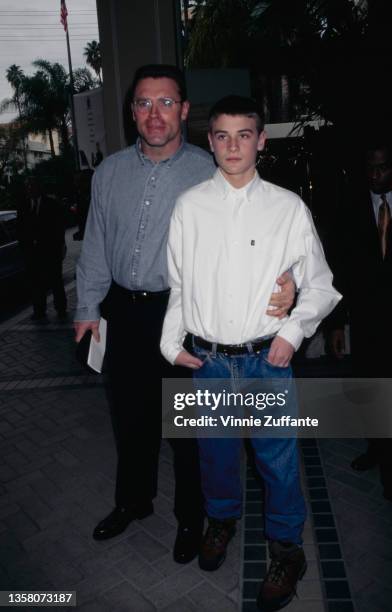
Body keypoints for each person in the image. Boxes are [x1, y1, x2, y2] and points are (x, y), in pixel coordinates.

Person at [74, 65, 294, 564]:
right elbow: (95, 251)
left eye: (167, 103)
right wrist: (87, 308)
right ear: (132, 111)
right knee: (130, 419)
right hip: (121, 318)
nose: (155, 115)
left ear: (185, 110)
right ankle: (133, 501)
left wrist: (290, 280)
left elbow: (259, 232)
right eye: (145, 104)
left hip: (183, 318)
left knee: (188, 430)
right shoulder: (108, 174)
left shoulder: (210, 173)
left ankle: (193, 518)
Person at [161, 95, 341, 610]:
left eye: (244, 134)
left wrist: (293, 332)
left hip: (266, 361)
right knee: (214, 456)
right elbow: (178, 285)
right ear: (209, 141)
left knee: (278, 464)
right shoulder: (190, 207)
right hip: (209, 363)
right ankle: (221, 524)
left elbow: (321, 286)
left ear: (261, 140)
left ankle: (287, 552)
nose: (233, 145)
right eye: (222, 135)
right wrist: (171, 344)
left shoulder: (287, 208)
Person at [327, 142, 392, 502]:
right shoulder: (351, 207)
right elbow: (339, 269)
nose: (374, 175)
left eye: (381, 168)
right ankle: (377, 448)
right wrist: (335, 323)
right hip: (366, 319)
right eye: (369, 168)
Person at [17, 176, 67, 321]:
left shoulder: (51, 204)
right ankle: (39, 310)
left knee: (55, 280)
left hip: (50, 251)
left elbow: (59, 227)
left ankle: (61, 308)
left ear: (39, 188)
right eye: (27, 187)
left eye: (32, 186)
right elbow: (20, 229)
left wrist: (59, 246)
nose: (30, 189)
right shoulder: (23, 206)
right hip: (32, 253)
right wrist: (25, 247)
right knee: (36, 282)